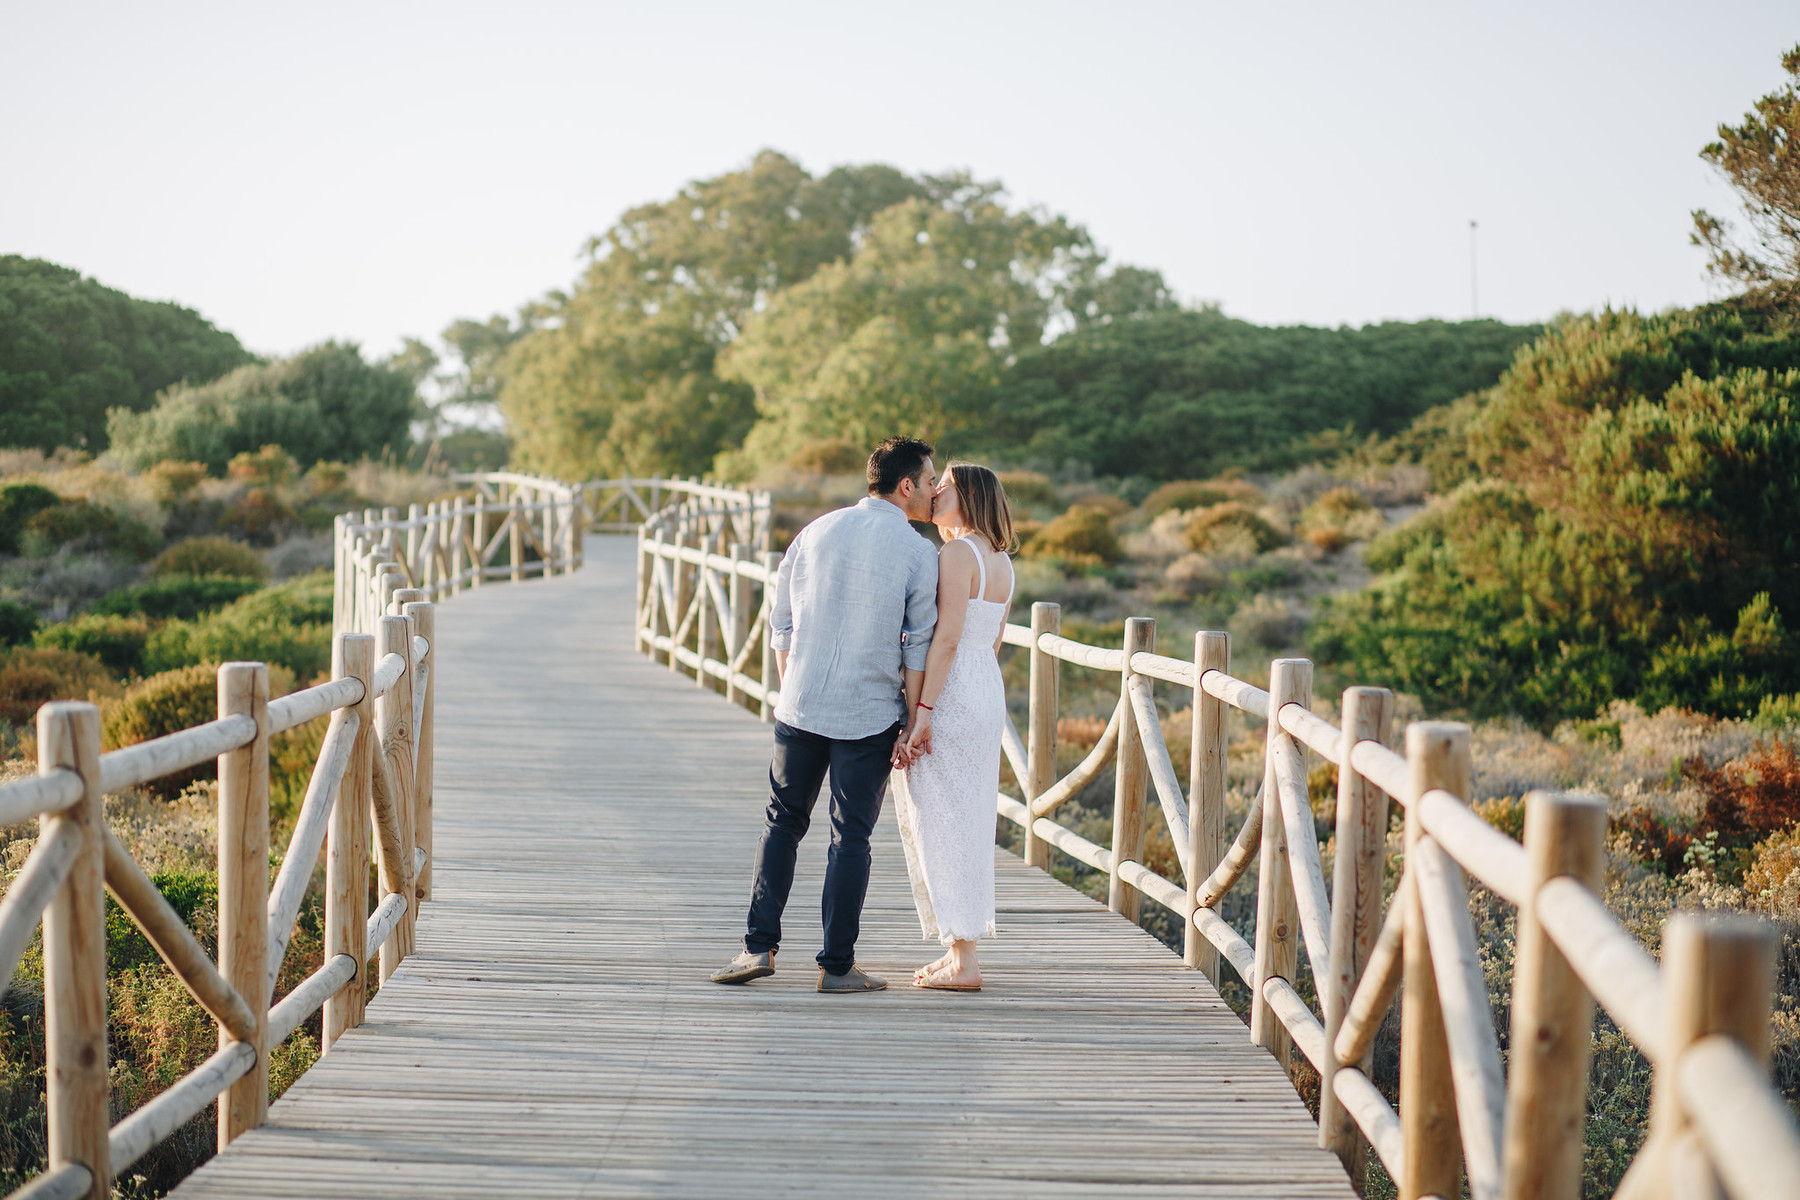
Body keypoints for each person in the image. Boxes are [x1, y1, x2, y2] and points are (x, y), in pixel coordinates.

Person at [710, 437, 940, 994]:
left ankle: (755, 949)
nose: (935, 492)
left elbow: (780, 620)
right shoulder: (917, 552)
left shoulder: (816, 530)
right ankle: (836, 967)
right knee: (850, 838)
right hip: (868, 713)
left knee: (782, 824)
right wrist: (913, 718)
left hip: (801, 704)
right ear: (905, 485)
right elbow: (918, 647)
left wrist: (794, 682)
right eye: (930, 481)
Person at [889, 463, 1015, 991]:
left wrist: (923, 714)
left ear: (969, 497)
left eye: (945, 488)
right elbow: (995, 640)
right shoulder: (1001, 560)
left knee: (941, 820)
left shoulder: (958, 554)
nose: (934, 492)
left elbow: (945, 639)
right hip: (984, 687)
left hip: (954, 692)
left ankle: (965, 961)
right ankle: (959, 948)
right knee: (967, 820)